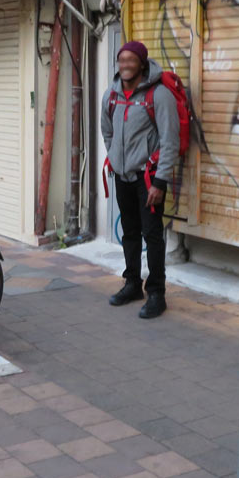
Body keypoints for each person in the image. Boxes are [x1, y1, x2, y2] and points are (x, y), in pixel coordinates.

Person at [101, 41, 180, 319]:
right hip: (122, 175)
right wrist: (115, 158)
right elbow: (107, 131)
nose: (125, 65)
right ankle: (132, 283)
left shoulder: (159, 95)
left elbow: (170, 141)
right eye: (122, 59)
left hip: (149, 179)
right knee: (130, 233)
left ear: (142, 64)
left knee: (152, 235)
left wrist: (159, 182)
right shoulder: (111, 95)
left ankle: (157, 292)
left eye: (131, 60)